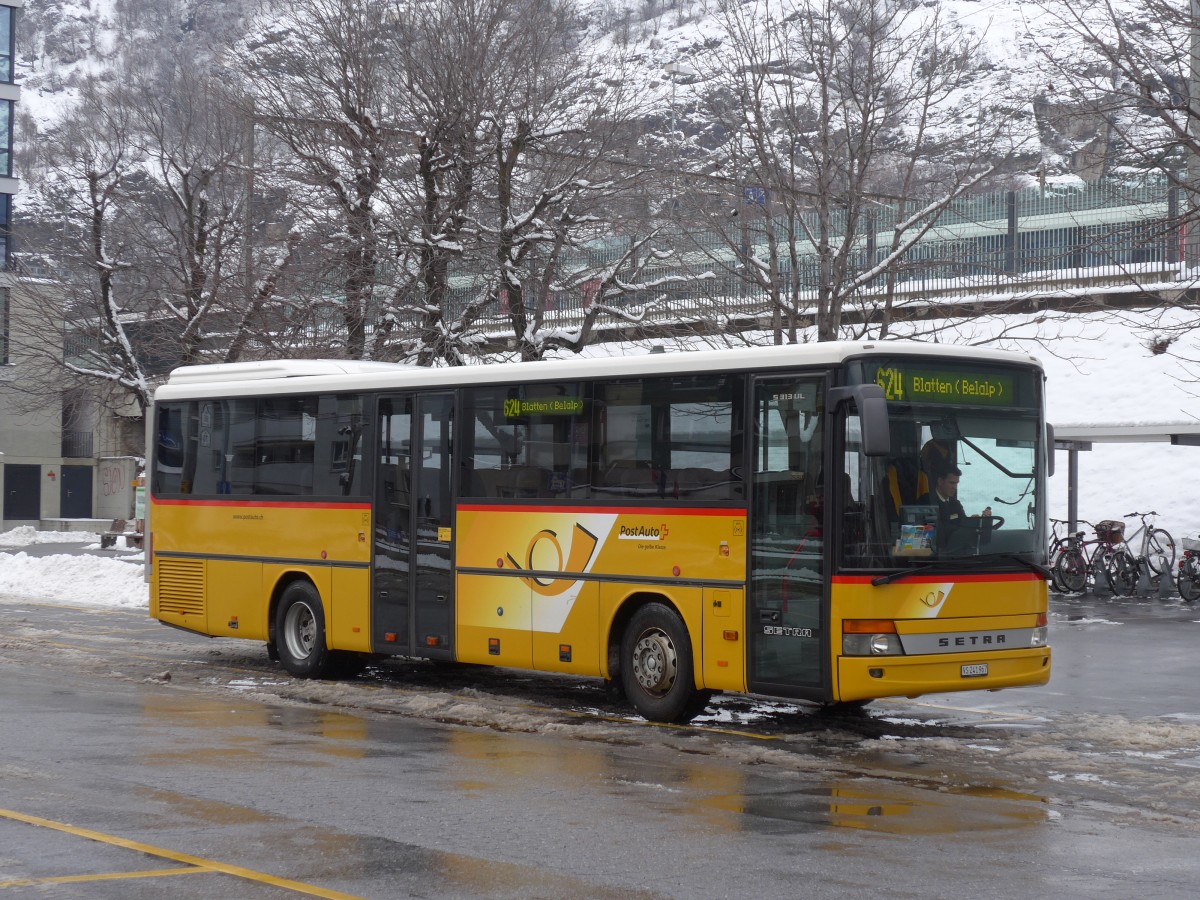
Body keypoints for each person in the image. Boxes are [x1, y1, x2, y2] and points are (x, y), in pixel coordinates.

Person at [917, 465, 993, 547]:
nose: (955, 487)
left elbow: (963, 524)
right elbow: (925, 533)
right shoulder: (925, 502)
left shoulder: (955, 504)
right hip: (934, 555)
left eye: (957, 483)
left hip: (955, 552)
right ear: (940, 481)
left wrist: (977, 521)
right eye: (951, 483)